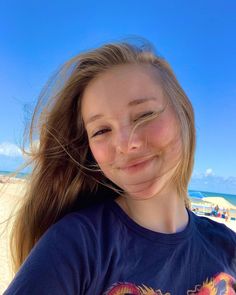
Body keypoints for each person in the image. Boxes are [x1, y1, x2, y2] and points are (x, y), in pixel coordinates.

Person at [4, 39, 236, 294]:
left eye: (144, 115)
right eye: (101, 130)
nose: (126, 144)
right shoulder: (76, 245)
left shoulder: (226, 245)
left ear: (183, 115)